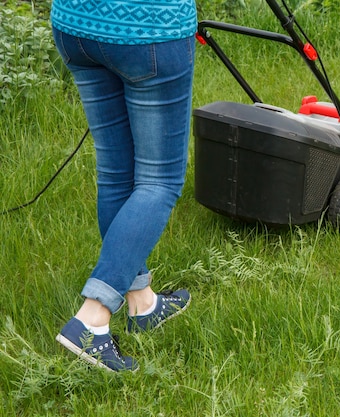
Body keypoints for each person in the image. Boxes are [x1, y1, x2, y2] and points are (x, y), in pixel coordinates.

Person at [50, 0, 197, 371]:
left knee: (117, 171)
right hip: (148, 29)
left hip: (76, 23)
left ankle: (142, 303)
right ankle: (92, 318)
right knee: (159, 182)